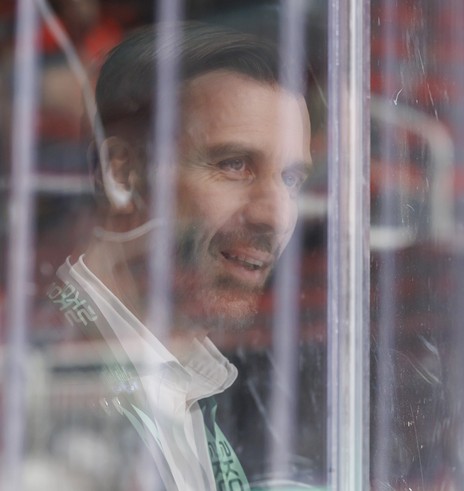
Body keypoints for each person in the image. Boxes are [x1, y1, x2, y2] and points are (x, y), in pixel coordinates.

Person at [39, 22, 312, 490]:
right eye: (234, 165)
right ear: (120, 173)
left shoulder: (189, 379)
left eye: (290, 179)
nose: (274, 215)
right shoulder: (40, 369)